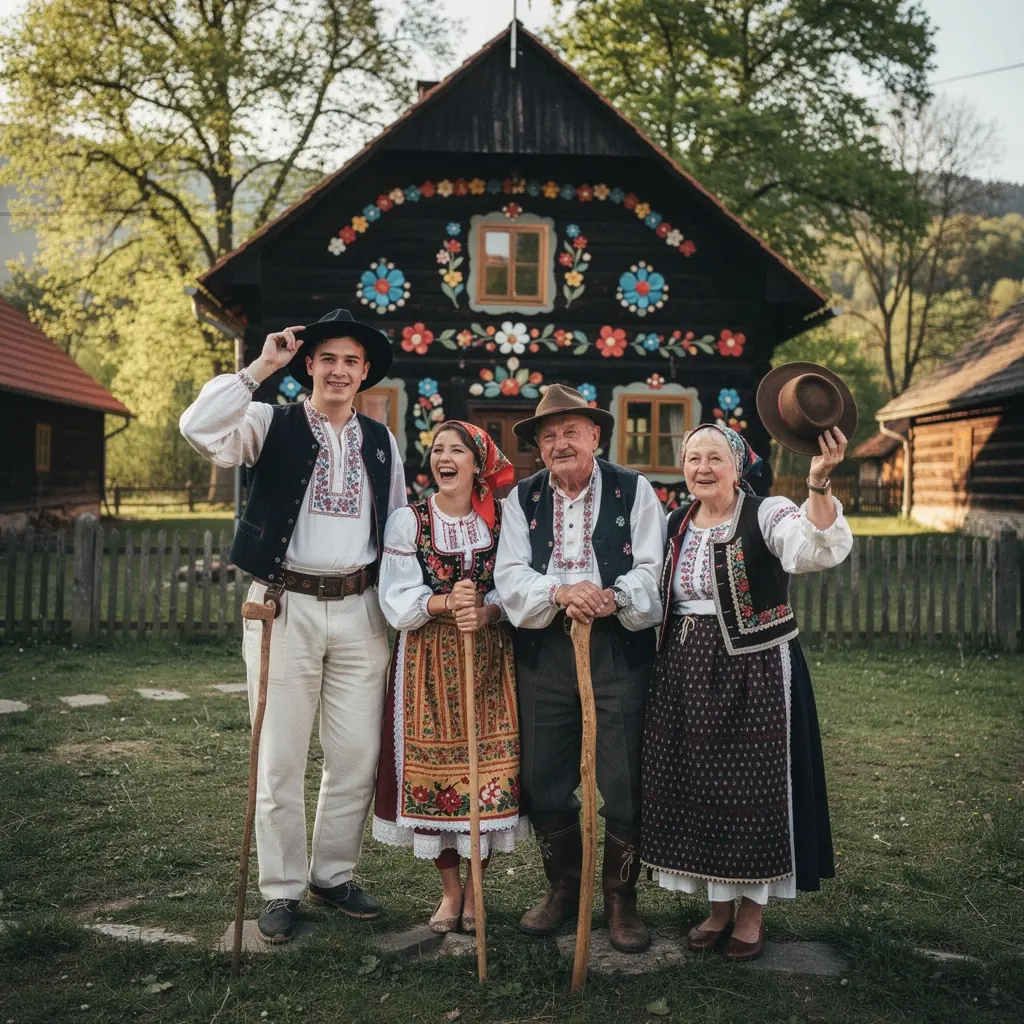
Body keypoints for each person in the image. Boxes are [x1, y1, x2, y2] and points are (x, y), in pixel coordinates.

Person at [179, 308, 405, 943]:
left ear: (365, 374)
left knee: (356, 756)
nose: (338, 370)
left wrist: (402, 603)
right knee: (279, 758)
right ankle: (280, 889)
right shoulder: (264, 422)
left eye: (351, 362)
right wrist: (259, 366)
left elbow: (394, 531)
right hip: (284, 606)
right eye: (327, 358)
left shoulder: (381, 441)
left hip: (361, 611)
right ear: (309, 365)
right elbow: (197, 427)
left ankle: (333, 874)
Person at [640, 420, 852, 961]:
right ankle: (717, 908)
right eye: (693, 459)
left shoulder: (767, 512)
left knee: (751, 790)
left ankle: (751, 913)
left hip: (754, 669)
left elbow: (813, 549)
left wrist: (820, 487)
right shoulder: (674, 523)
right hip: (683, 670)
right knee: (699, 787)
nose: (703, 469)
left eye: (715, 458)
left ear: (738, 467)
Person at [494, 384, 667, 954]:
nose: (559, 443)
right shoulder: (523, 499)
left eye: (571, 431)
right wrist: (562, 590)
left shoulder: (633, 490)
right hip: (546, 649)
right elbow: (511, 574)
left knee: (623, 779)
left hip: (618, 649)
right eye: (548, 436)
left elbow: (652, 567)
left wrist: (611, 598)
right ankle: (564, 889)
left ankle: (621, 900)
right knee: (542, 777)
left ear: (596, 435)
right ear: (539, 449)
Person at [373, 420, 527, 933]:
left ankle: (479, 892)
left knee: (488, 774)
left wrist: (488, 611)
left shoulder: (505, 519)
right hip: (427, 662)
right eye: (437, 449)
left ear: (477, 462)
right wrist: (442, 601)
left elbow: (517, 581)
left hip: (489, 658)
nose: (444, 457)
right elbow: (395, 597)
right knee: (434, 776)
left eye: (456, 449)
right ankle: (451, 892)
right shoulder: (409, 521)